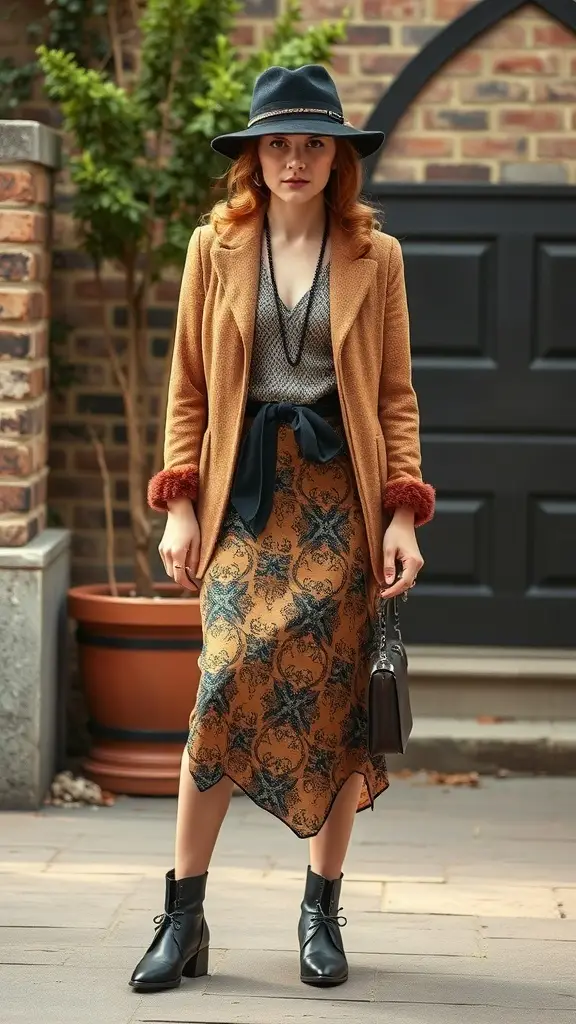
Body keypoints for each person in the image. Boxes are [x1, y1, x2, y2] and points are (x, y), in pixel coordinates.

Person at [130, 63, 435, 994]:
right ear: (253, 157)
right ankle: (184, 917)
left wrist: (403, 517)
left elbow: (394, 397)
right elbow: (187, 388)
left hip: (342, 499)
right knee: (220, 683)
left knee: (339, 707)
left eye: (311, 143)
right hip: (246, 497)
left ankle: (321, 911)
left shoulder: (373, 256)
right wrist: (179, 502)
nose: (294, 159)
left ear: (335, 156)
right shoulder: (211, 249)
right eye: (278, 143)